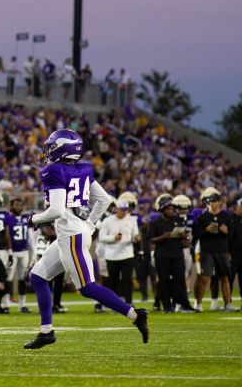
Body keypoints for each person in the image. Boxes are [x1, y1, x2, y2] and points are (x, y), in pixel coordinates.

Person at [23, 130, 149, 349]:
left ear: (62, 148)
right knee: (38, 277)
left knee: (87, 287)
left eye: (51, 146)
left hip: (71, 235)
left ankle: (135, 315)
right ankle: (46, 332)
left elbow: (56, 210)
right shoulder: (82, 169)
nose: (47, 151)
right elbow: (103, 199)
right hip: (73, 233)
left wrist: (34, 219)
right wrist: (90, 224)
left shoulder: (53, 170)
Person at [147, 195, 194, 313]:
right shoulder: (155, 222)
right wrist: (164, 236)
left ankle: (184, 304)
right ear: (162, 209)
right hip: (162, 256)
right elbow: (150, 240)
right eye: (168, 209)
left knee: (180, 280)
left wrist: (184, 237)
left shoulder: (177, 220)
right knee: (164, 281)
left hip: (177, 254)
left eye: (172, 209)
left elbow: (185, 240)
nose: (171, 211)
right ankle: (167, 306)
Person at [193, 188, 234, 311]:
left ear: (220, 202)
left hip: (222, 250)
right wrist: (206, 230)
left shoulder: (226, 216)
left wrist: (226, 231)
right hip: (207, 250)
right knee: (205, 277)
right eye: (211, 201)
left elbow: (232, 235)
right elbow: (196, 234)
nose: (213, 203)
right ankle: (198, 304)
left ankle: (228, 304)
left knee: (225, 278)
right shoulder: (203, 217)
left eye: (215, 201)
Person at [98, 192, 141, 305]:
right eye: (121, 209)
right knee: (113, 281)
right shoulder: (108, 221)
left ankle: (129, 303)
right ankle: (114, 304)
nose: (124, 212)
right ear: (116, 209)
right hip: (111, 255)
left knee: (127, 280)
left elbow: (135, 234)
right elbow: (102, 237)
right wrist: (114, 238)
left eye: (125, 209)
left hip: (127, 254)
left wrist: (137, 238)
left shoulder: (132, 220)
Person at [6, 197, 36, 312]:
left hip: (24, 252)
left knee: (22, 278)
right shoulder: (8, 218)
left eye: (20, 205)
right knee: (8, 277)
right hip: (12, 252)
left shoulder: (25, 218)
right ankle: (6, 304)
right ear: (12, 206)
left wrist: (33, 253)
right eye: (16, 205)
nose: (18, 207)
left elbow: (30, 238)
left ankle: (22, 305)